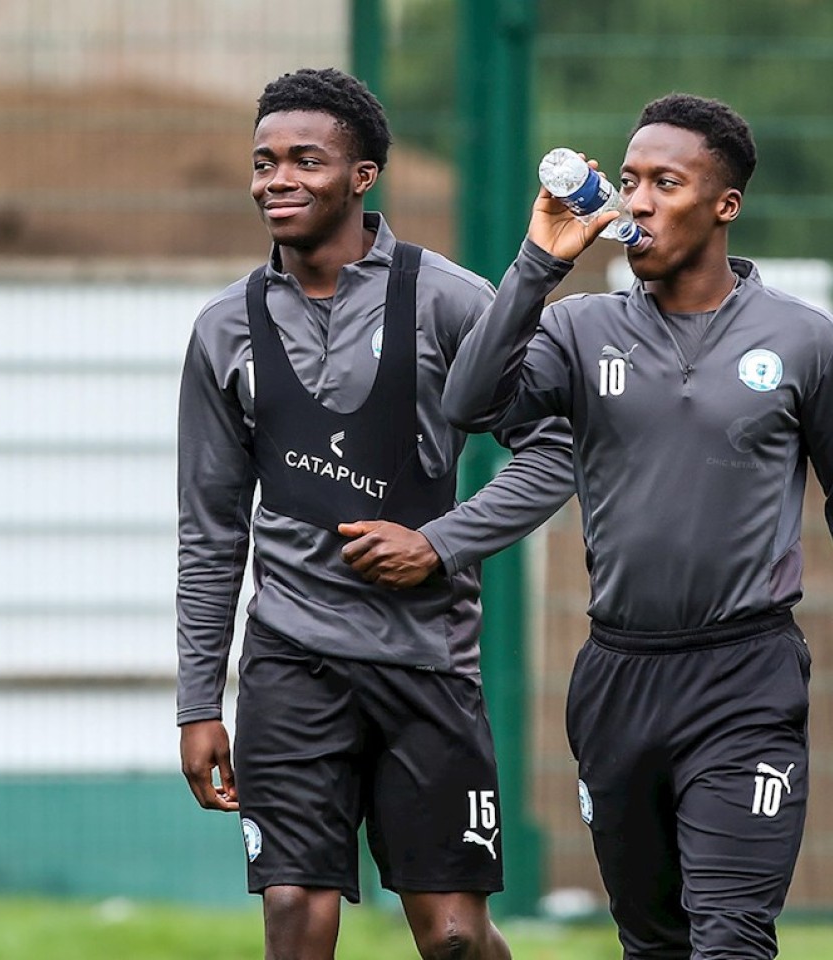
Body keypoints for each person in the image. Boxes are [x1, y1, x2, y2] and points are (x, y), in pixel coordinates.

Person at [176, 67, 575, 960]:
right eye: (264, 163)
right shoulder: (223, 329)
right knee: (295, 909)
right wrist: (198, 702)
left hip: (427, 663)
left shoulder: (449, 299)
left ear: (363, 176)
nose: (277, 180)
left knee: (454, 939)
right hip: (290, 663)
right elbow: (208, 532)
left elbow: (553, 451)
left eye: (305, 161)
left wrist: (440, 544)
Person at [442, 93, 831, 960]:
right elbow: (468, 404)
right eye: (629, 181)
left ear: (724, 205)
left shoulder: (804, 340)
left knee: (731, 936)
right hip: (618, 678)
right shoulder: (580, 329)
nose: (639, 202)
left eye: (666, 183)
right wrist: (538, 265)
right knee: (654, 942)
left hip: (746, 675)